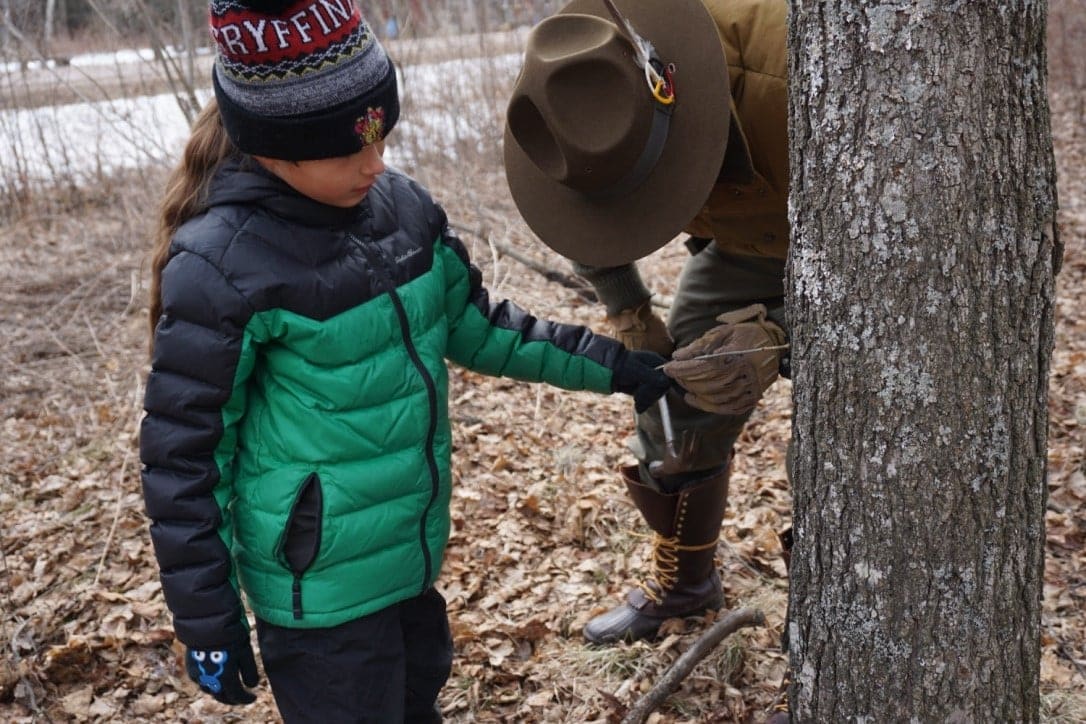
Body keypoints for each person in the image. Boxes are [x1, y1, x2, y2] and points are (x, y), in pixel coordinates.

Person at [139, 1, 671, 721]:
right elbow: (184, 461)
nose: (376, 161)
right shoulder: (223, 268)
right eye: (348, 148)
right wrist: (207, 622)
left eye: (380, 134)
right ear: (270, 145)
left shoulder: (402, 210)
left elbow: (481, 329)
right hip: (320, 603)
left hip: (408, 566)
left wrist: (613, 367)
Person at [503, 0, 790, 650]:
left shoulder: (791, 73)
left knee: (852, 447)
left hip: (868, 248)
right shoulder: (568, 91)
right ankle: (687, 587)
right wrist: (628, 308)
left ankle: (844, 632)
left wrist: (780, 334)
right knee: (676, 398)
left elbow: (927, 260)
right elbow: (578, 212)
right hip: (748, 241)